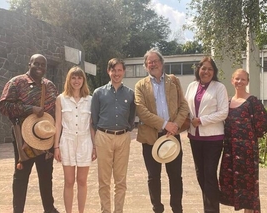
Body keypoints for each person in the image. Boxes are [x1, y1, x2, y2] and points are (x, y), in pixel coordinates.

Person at [0, 54, 59, 213]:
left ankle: (49, 208)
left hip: (46, 139)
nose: (40, 67)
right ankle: (18, 210)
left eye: (43, 65)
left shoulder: (50, 86)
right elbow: (4, 106)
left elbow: (56, 111)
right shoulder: (16, 83)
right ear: (29, 63)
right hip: (24, 139)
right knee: (21, 176)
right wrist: (29, 109)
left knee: (46, 176)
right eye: (36, 63)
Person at [135, 48, 190, 213]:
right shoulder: (140, 86)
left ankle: (177, 208)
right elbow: (141, 110)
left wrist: (175, 126)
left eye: (155, 61)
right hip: (151, 137)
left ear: (162, 63)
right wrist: (165, 124)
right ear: (146, 66)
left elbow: (184, 105)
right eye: (149, 62)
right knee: (153, 177)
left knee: (175, 176)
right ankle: (157, 208)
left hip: (171, 136)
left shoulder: (174, 81)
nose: (152, 64)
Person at [91, 58, 136, 213]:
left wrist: (127, 130)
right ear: (108, 71)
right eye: (113, 70)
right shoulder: (98, 93)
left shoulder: (130, 94)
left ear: (123, 72)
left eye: (119, 70)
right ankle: (105, 210)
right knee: (104, 180)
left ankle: (118, 211)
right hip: (103, 136)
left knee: (120, 180)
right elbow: (94, 118)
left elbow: (132, 117)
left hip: (123, 137)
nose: (116, 73)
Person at [219, 69, 267, 213]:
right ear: (232, 80)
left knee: (248, 185)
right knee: (233, 182)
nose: (239, 82)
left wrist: (247, 139)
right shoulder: (227, 102)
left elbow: (263, 125)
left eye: (243, 79)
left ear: (247, 82)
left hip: (247, 152)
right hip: (230, 150)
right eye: (237, 79)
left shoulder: (252, 101)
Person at [184, 56, 229, 213]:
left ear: (214, 72)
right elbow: (185, 108)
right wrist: (188, 121)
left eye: (210, 69)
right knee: (200, 174)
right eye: (203, 68)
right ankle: (209, 206)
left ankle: (211, 210)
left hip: (213, 138)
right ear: (198, 69)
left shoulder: (219, 88)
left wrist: (202, 120)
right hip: (195, 137)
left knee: (209, 174)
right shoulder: (191, 86)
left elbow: (223, 112)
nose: (206, 71)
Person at [53, 66, 96, 213]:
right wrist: (56, 147)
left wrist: (95, 146)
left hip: (85, 142)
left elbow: (92, 126)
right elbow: (57, 125)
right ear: (68, 79)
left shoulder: (90, 100)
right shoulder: (61, 99)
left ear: (83, 80)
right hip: (67, 142)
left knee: (82, 181)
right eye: (73, 77)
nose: (76, 81)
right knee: (69, 181)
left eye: (79, 77)